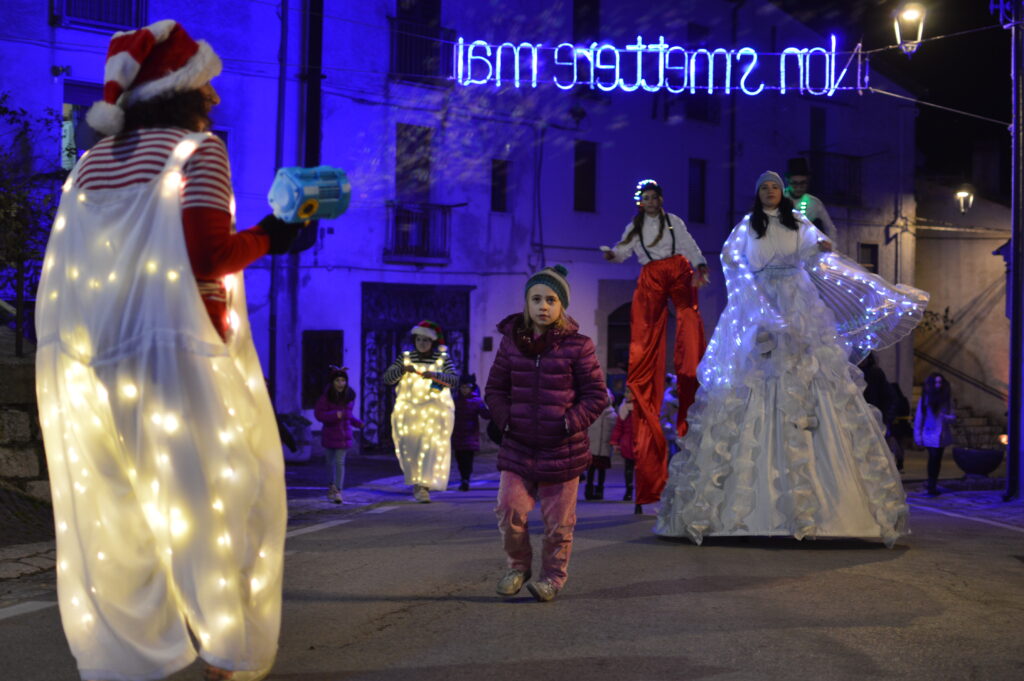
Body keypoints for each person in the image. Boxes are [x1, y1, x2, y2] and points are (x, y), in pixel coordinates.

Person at [35, 20, 299, 681]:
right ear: (184, 88)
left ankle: (134, 657)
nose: (213, 89)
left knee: (125, 517)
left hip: (92, 360)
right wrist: (274, 234)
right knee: (224, 502)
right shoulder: (197, 151)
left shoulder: (88, 165)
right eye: (204, 77)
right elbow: (209, 255)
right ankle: (225, 651)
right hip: (176, 354)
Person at [654, 171, 928, 548]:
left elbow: (819, 252)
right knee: (753, 380)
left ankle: (832, 511)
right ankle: (743, 514)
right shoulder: (746, 227)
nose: (769, 191)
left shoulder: (797, 223)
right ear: (757, 194)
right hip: (760, 304)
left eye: (774, 186)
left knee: (812, 375)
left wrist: (823, 250)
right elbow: (733, 265)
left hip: (800, 306)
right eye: (763, 187)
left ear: (781, 193)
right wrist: (759, 311)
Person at [485, 265, 608, 602]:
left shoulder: (578, 346)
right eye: (536, 298)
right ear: (526, 303)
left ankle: (552, 578)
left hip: (562, 449)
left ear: (561, 306)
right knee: (509, 510)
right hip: (519, 446)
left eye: (551, 299)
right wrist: (506, 420)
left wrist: (569, 422)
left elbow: (597, 395)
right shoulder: (511, 344)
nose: (543, 306)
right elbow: (494, 389)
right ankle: (517, 567)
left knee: (559, 524)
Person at [601, 180, 709, 512]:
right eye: (644, 198)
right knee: (645, 329)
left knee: (688, 315)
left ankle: (690, 359)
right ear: (640, 202)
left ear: (660, 199)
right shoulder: (634, 228)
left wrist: (700, 266)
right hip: (651, 274)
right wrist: (613, 255)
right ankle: (646, 359)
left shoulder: (673, 221)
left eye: (653, 197)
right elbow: (623, 249)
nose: (649, 202)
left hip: (677, 269)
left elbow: (689, 244)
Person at [383, 320, 459, 503]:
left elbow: (454, 380)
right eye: (419, 340)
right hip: (409, 413)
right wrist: (402, 370)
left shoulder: (442, 359)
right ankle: (416, 481)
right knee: (410, 449)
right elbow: (387, 378)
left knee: (430, 448)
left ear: (432, 342)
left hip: (434, 413)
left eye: (426, 340)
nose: (422, 343)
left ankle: (423, 486)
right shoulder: (405, 358)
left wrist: (436, 376)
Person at [314, 366, 363, 504]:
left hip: (344, 435)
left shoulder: (349, 396)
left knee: (340, 462)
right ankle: (331, 486)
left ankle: (338, 490)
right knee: (329, 462)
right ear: (333, 382)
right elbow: (319, 414)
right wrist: (335, 415)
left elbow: (348, 416)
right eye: (338, 380)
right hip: (330, 433)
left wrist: (357, 423)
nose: (341, 383)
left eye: (343, 380)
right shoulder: (326, 397)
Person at [914, 373, 957, 496]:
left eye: (940, 382)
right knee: (933, 458)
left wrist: (946, 418)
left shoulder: (947, 399)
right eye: (936, 382)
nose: (938, 385)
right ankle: (931, 484)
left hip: (942, 435)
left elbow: (953, 417)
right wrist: (918, 436)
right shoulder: (926, 398)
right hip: (929, 433)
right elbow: (919, 418)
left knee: (937, 459)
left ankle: (932, 483)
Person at [451, 374, 491, 491]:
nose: (465, 390)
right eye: (462, 387)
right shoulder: (455, 401)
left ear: (472, 388)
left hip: (470, 435)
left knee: (467, 460)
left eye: (467, 387)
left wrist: (494, 410)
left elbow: (485, 415)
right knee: (459, 459)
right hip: (457, 435)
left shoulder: (476, 401)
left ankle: (465, 479)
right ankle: (463, 478)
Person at [785, 157, 837, 244]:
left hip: (806, 250)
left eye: (803, 183)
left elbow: (830, 228)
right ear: (787, 181)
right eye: (795, 183)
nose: (799, 187)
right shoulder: (778, 198)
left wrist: (830, 246)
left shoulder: (815, 203)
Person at [584, 388, 617, 500]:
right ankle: (589, 490)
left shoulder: (612, 415)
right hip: (592, 447)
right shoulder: (593, 412)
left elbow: (614, 431)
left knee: (601, 471)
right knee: (591, 470)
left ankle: (599, 490)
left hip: (604, 448)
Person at [611, 386, 638, 502]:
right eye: (626, 392)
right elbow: (618, 427)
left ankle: (638, 490)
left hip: (639, 442)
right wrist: (615, 442)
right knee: (628, 468)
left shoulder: (639, 408)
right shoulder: (623, 409)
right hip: (627, 443)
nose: (627, 394)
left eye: (630, 392)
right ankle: (629, 489)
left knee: (639, 469)